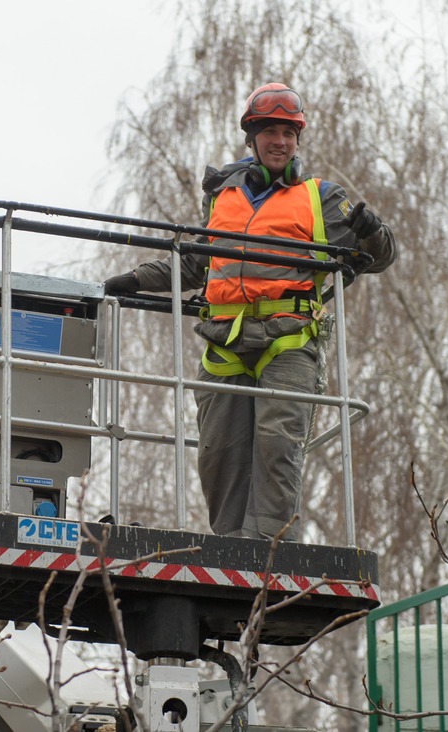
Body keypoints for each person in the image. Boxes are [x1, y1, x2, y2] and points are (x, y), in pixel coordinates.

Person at [105, 82, 396, 541]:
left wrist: (372, 233)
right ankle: (227, 549)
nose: (280, 141)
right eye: (269, 131)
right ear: (251, 138)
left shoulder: (321, 198)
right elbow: (195, 262)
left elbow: (379, 258)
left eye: (289, 132)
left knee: (277, 448)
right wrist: (135, 280)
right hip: (225, 342)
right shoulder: (224, 196)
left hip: (289, 342)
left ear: (298, 140)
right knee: (218, 452)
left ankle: (268, 555)